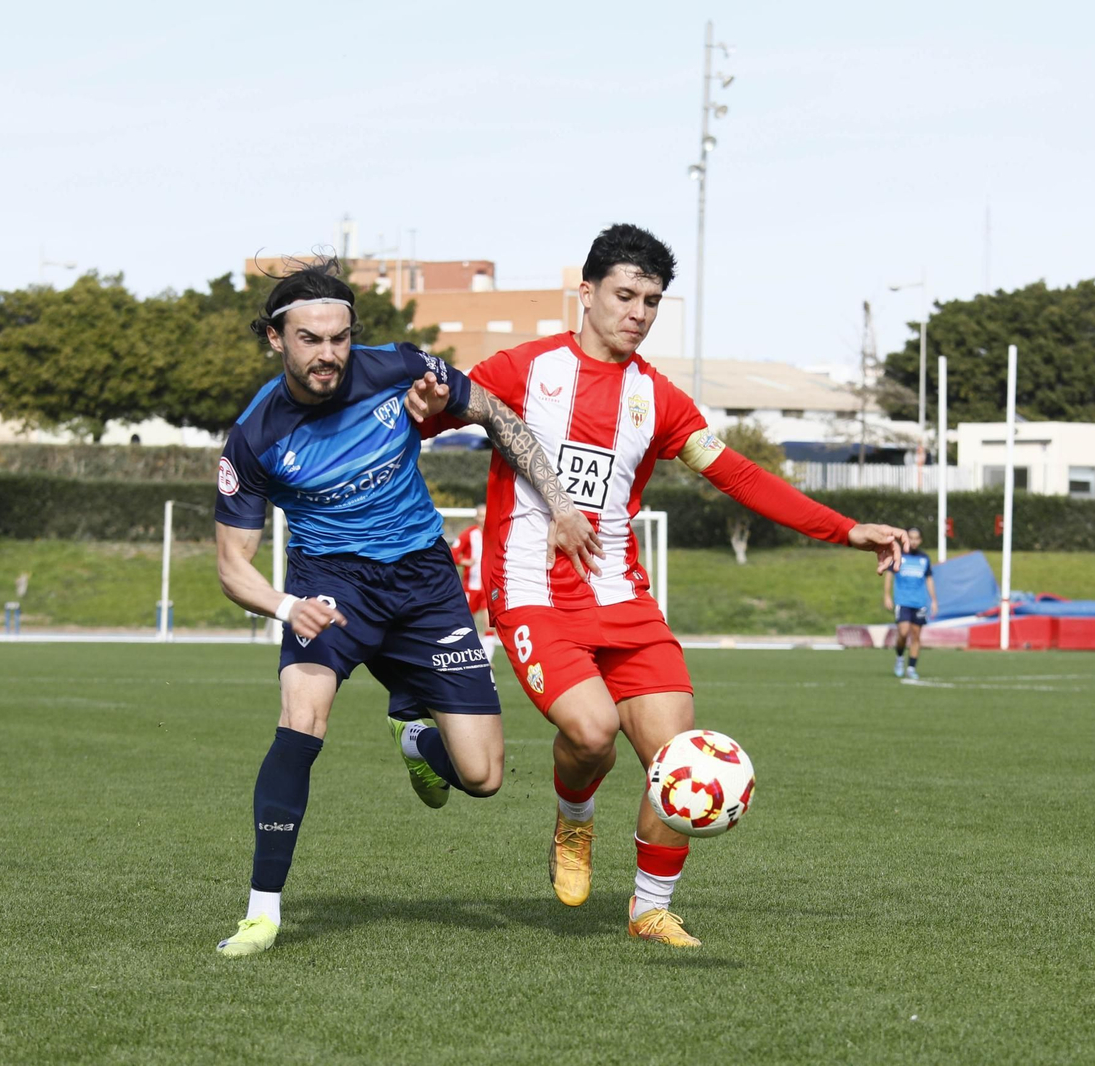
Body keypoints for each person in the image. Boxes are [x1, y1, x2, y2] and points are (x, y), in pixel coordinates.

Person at [410, 224, 908, 947]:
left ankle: (649, 910)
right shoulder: (525, 368)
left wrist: (845, 529)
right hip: (532, 593)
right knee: (591, 734)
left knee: (680, 760)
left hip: (624, 599)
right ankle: (574, 819)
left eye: (651, 301)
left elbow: (739, 475)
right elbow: (421, 421)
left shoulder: (658, 399)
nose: (637, 313)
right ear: (586, 293)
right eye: (624, 295)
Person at [212, 261, 599, 957]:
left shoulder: (400, 368)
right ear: (276, 338)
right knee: (301, 717)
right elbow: (231, 567)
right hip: (332, 585)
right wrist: (285, 605)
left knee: (483, 778)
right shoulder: (255, 436)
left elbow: (497, 415)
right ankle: (261, 912)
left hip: (425, 583)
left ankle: (415, 737)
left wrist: (561, 503)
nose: (328, 354)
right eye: (309, 339)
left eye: (339, 338)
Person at [884, 526, 938, 680]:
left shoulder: (924, 558)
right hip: (903, 601)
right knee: (903, 632)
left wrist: (934, 600)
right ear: (906, 539)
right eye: (911, 538)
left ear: (920, 540)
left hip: (919, 602)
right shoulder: (898, 555)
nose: (913, 541)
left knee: (916, 635)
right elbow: (889, 575)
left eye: (916, 538)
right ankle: (900, 658)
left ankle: (911, 668)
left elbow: (929, 580)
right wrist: (887, 595)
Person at [450, 502, 496, 660]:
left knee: (489, 623)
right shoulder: (468, 534)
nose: (484, 519)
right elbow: (452, 555)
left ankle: (487, 660)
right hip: (471, 587)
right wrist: (465, 561)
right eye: (481, 516)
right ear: (476, 517)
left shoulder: (496, 533)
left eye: (486, 516)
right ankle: (462, 653)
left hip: (489, 587)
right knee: (464, 623)